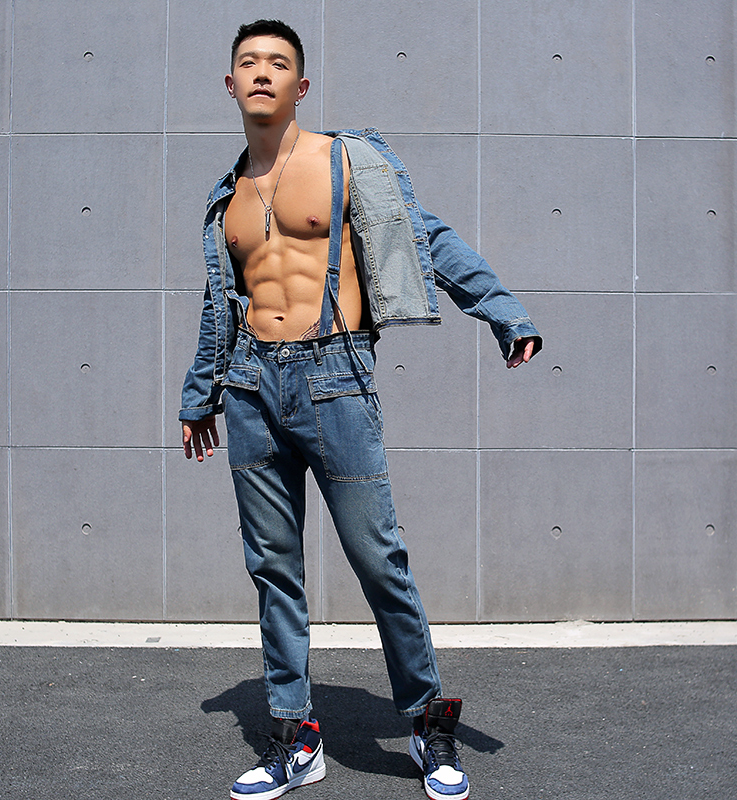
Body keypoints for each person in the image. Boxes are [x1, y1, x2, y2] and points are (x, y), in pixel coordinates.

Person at [180, 19, 542, 800]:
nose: (263, 72)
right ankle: (295, 738)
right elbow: (219, 305)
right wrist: (199, 392)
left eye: (279, 63)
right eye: (250, 62)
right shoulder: (225, 199)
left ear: (301, 86)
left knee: (380, 560)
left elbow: (427, 237)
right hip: (248, 388)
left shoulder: (347, 161)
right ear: (231, 85)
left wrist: (503, 311)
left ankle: (427, 725)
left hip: (334, 379)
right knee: (273, 568)